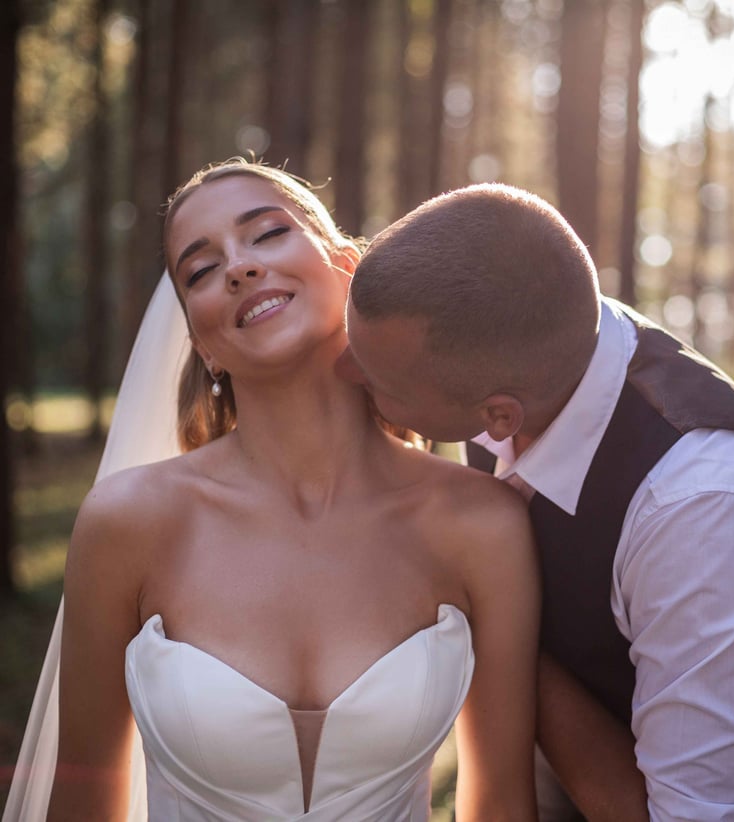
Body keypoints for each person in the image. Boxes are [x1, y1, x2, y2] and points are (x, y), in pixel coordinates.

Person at [4, 161, 542, 822]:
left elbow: (502, 804)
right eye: (200, 270)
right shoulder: (126, 526)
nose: (237, 267)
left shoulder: (480, 522)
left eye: (266, 234)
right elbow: (83, 805)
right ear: (202, 344)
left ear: (346, 266)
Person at [340, 183, 734, 821]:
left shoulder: (699, 506)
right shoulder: (522, 335)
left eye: (377, 381)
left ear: (499, 415)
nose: (345, 370)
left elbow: (703, 814)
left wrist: (492, 612)